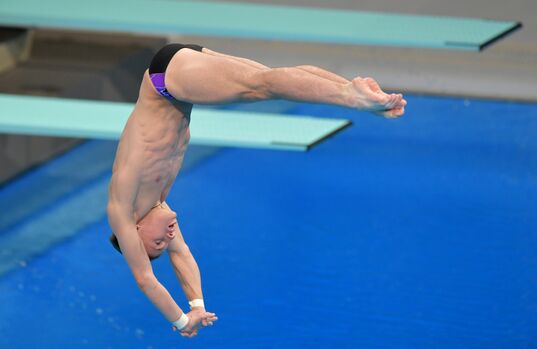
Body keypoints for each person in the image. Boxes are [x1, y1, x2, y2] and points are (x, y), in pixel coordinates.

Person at [106, 43, 407, 338]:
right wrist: (196, 305)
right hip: (176, 74)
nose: (169, 237)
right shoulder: (156, 201)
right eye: (164, 242)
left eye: (158, 241)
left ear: (133, 229)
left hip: (167, 80)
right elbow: (181, 255)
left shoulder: (124, 201)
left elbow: (145, 279)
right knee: (270, 78)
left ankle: (353, 97)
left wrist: (183, 322)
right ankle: (359, 94)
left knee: (260, 86)